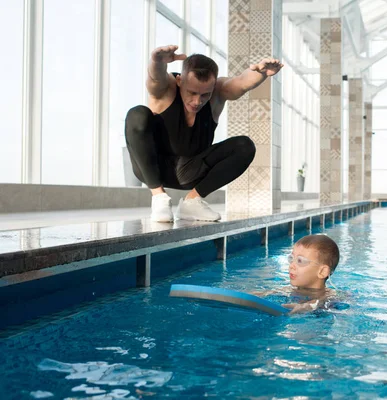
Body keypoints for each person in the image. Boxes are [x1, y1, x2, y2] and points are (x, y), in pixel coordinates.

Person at [125, 45, 284, 222]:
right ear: (179, 81)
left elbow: (240, 83)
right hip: (152, 168)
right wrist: (157, 61)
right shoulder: (166, 89)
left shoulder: (218, 92)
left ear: (213, 86)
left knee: (244, 146)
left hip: (191, 172)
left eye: (204, 95)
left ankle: (192, 203)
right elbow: (155, 78)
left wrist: (260, 74)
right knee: (137, 114)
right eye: (191, 93)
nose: (197, 101)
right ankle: (159, 197)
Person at [281, 234, 340, 314]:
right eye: (291, 258)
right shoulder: (289, 290)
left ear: (322, 271)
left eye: (300, 261)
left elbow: (319, 302)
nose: (291, 266)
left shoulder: (330, 296)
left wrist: (307, 306)